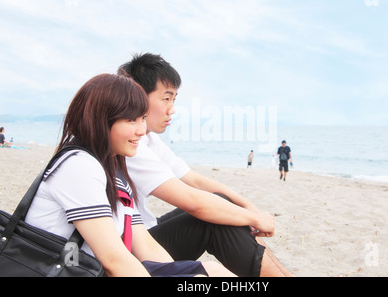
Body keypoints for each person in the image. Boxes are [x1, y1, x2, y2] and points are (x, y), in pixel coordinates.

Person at [25, 74, 234, 277]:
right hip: (70, 270)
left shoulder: (112, 170)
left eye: (143, 118)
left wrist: (177, 272)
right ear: (101, 120)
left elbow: (145, 244)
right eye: (131, 120)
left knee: (209, 271)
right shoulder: (79, 166)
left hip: (97, 269)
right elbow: (113, 261)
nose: (142, 130)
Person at [118, 52, 293, 277]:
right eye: (166, 98)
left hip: (142, 231)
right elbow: (192, 201)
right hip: (132, 251)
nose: (172, 109)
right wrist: (254, 219)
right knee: (212, 221)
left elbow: (194, 180)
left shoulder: (148, 138)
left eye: (174, 99)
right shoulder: (131, 144)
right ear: (138, 96)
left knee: (223, 204)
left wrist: (247, 207)